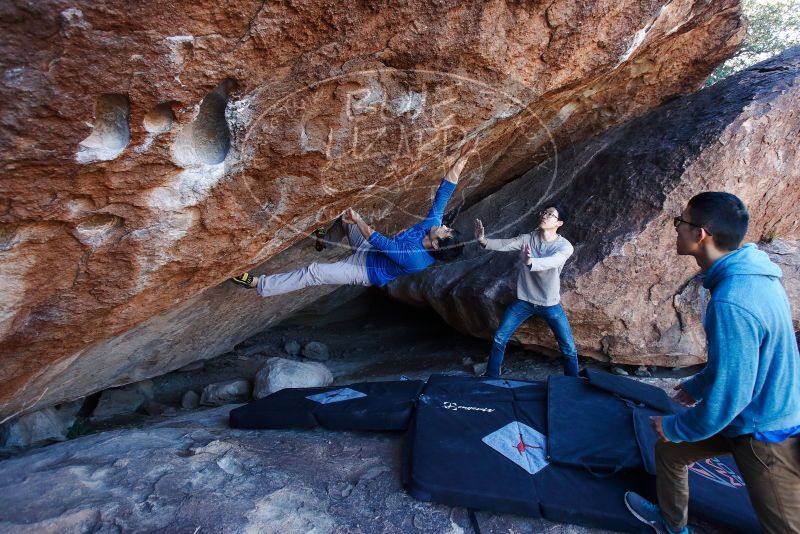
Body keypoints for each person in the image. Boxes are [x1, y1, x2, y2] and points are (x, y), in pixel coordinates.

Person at [624, 192, 800, 534]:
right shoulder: (754, 276)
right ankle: (673, 524)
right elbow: (744, 361)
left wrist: (680, 427)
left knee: (784, 526)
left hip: (763, 429)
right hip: (748, 411)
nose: (676, 230)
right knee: (671, 453)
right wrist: (696, 386)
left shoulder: (733, 301)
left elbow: (734, 392)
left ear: (700, 234)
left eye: (681, 223)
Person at [230, 139, 478, 296]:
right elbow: (444, 192)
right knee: (342, 217)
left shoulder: (416, 259)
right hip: (370, 249)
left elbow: (382, 242)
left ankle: (258, 284)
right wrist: (464, 157)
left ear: (436, 244)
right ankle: (324, 242)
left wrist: (358, 220)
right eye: (447, 227)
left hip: (363, 271)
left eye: (445, 232)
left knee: (313, 273)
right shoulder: (431, 226)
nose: (443, 226)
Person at [474, 204, 578, 377]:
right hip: (524, 301)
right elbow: (505, 244)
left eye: (550, 214)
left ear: (559, 223)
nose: (545, 216)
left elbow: (554, 261)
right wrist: (483, 241)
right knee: (500, 337)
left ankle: (573, 382)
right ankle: (491, 376)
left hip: (549, 303)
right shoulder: (528, 238)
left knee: (568, 347)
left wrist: (531, 262)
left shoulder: (565, 247)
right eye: (544, 212)